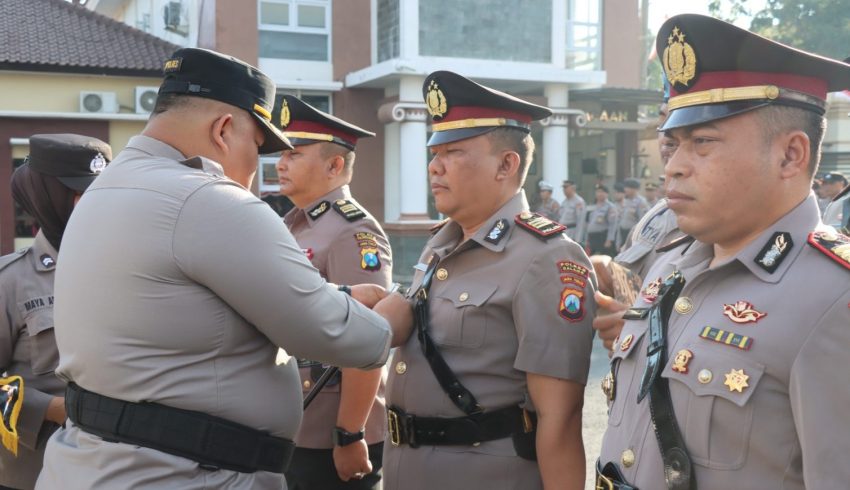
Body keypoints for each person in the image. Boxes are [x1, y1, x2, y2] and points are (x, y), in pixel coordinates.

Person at [36, 48, 400, 490]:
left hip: (100, 463)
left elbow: (188, 301)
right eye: (258, 148)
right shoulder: (206, 198)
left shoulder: (106, 188)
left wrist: (338, 297)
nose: (256, 170)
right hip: (184, 473)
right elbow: (338, 334)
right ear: (225, 130)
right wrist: (390, 319)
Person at [597, 14, 850, 490]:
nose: (673, 167)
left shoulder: (834, 301)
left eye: (703, 143)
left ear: (791, 155)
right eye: (671, 145)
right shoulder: (671, 263)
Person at [376, 70, 595, 490]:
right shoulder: (440, 245)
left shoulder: (546, 257)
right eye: (433, 151)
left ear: (506, 164)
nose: (434, 166)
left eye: (453, 151)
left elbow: (560, 418)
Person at [275, 95, 390, 489]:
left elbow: (367, 338)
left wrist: (350, 432)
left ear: (335, 165)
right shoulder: (294, 223)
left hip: (331, 431)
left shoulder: (352, 230)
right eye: (282, 153)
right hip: (298, 421)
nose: (281, 162)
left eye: (295, 154)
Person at [0, 134, 110, 490]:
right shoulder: (11, 281)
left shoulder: (130, 270)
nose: (90, 204)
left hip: (119, 470)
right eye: (77, 193)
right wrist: (49, 408)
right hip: (34, 472)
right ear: (47, 195)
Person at [580, 184, 618, 255]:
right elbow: (588, 224)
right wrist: (586, 238)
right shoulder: (592, 206)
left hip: (602, 237)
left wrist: (609, 239)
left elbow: (612, 225)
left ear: (607, 194)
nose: (599, 194)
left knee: (602, 260)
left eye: (602, 192)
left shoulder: (610, 207)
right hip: (592, 238)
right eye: (598, 192)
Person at [615, 178, 649, 249]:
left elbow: (643, 222)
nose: (625, 189)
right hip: (623, 233)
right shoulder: (625, 201)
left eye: (628, 187)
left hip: (633, 234)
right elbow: (620, 220)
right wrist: (618, 241)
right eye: (625, 187)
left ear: (635, 189)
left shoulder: (641, 202)